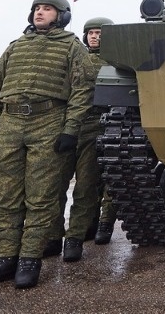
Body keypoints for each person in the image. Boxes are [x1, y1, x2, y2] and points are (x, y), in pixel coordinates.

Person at [0, 0, 93, 289]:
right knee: (8, 197)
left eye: (47, 9)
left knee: (41, 197)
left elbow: (82, 91)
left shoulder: (73, 47)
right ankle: (6, 257)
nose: (40, 13)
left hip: (48, 121)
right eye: (36, 8)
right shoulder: (15, 47)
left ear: (61, 15)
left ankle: (30, 259)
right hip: (10, 123)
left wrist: (70, 129)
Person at [50, 16, 113, 262]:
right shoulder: (75, 58)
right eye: (91, 33)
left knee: (87, 186)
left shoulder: (115, 62)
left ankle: (75, 238)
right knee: (55, 186)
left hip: (98, 124)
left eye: (99, 33)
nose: (94, 36)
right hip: (66, 126)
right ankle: (53, 236)